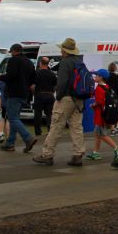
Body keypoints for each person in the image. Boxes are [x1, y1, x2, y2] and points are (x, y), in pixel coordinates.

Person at [33, 38, 86, 166]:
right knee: (76, 127)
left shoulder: (65, 63)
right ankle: (78, 154)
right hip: (79, 99)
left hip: (66, 98)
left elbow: (62, 82)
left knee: (56, 125)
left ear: (65, 51)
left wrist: (58, 97)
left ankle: (47, 154)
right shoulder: (80, 62)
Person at [0, 43, 37, 153]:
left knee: (12, 118)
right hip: (24, 94)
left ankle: (28, 138)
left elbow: (11, 76)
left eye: (11, 52)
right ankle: (10, 143)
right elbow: (33, 78)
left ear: (14, 51)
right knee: (15, 118)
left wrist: (0, 77)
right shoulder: (29, 62)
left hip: (14, 93)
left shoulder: (13, 60)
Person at [86, 69, 118, 162]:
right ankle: (95, 152)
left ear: (101, 77)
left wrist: (92, 105)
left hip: (100, 115)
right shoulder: (107, 86)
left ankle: (116, 147)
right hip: (105, 113)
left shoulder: (99, 88)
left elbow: (99, 102)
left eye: (97, 75)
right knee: (97, 133)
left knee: (102, 134)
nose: (95, 77)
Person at [32, 57, 56, 136]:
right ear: (48, 63)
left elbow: (33, 86)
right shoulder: (52, 74)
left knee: (38, 114)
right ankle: (50, 130)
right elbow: (56, 86)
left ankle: (38, 132)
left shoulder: (36, 73)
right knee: (49, 114)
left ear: (40, 63)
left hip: (39, 95)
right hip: (50, 95)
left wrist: (34, 93)